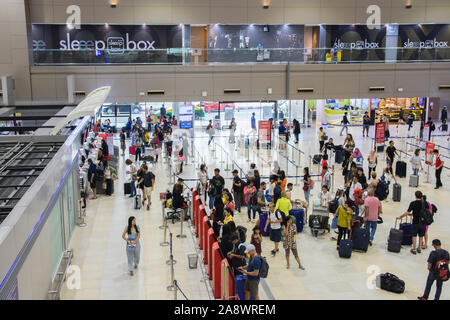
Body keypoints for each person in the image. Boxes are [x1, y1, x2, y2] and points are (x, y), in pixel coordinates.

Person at [397, 190, 427, 254]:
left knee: (414, 235)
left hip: (415, 222)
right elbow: (426, 211)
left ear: (415, 196)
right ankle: (419, 248)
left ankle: (414, 249)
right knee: (421, 235)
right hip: (423, 222)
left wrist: (400, 216)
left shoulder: (413, 203)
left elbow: (408, 212)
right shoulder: (425, 203)